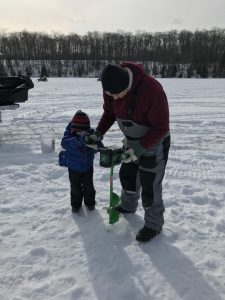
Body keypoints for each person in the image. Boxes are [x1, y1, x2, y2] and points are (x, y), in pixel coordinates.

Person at [87, 62, 170, 242]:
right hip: (130, 140)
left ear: (128, 85)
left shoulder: (151, 89)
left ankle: (153, 225)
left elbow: (161, 127)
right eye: (110, 94)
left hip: (153, 141)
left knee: (150, 185)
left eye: (117, 94)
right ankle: (128, 206)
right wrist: (98, 133)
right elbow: (109, 113)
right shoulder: (110, 87)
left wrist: (140, 148)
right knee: (128, 176)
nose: (114, 97)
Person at [59, 110, 102, 212]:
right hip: (74, 168)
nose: (82, 134)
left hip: (88, 167)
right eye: (79, 132)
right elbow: (65, 144)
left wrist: (99, 145)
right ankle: (76, 205)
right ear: (74, 129)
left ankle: (90, 203)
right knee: (75, 188)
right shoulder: (69, 135)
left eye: (84, 131)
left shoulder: (90, 133)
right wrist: (79, 140)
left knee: (89, 187)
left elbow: (98, 145)